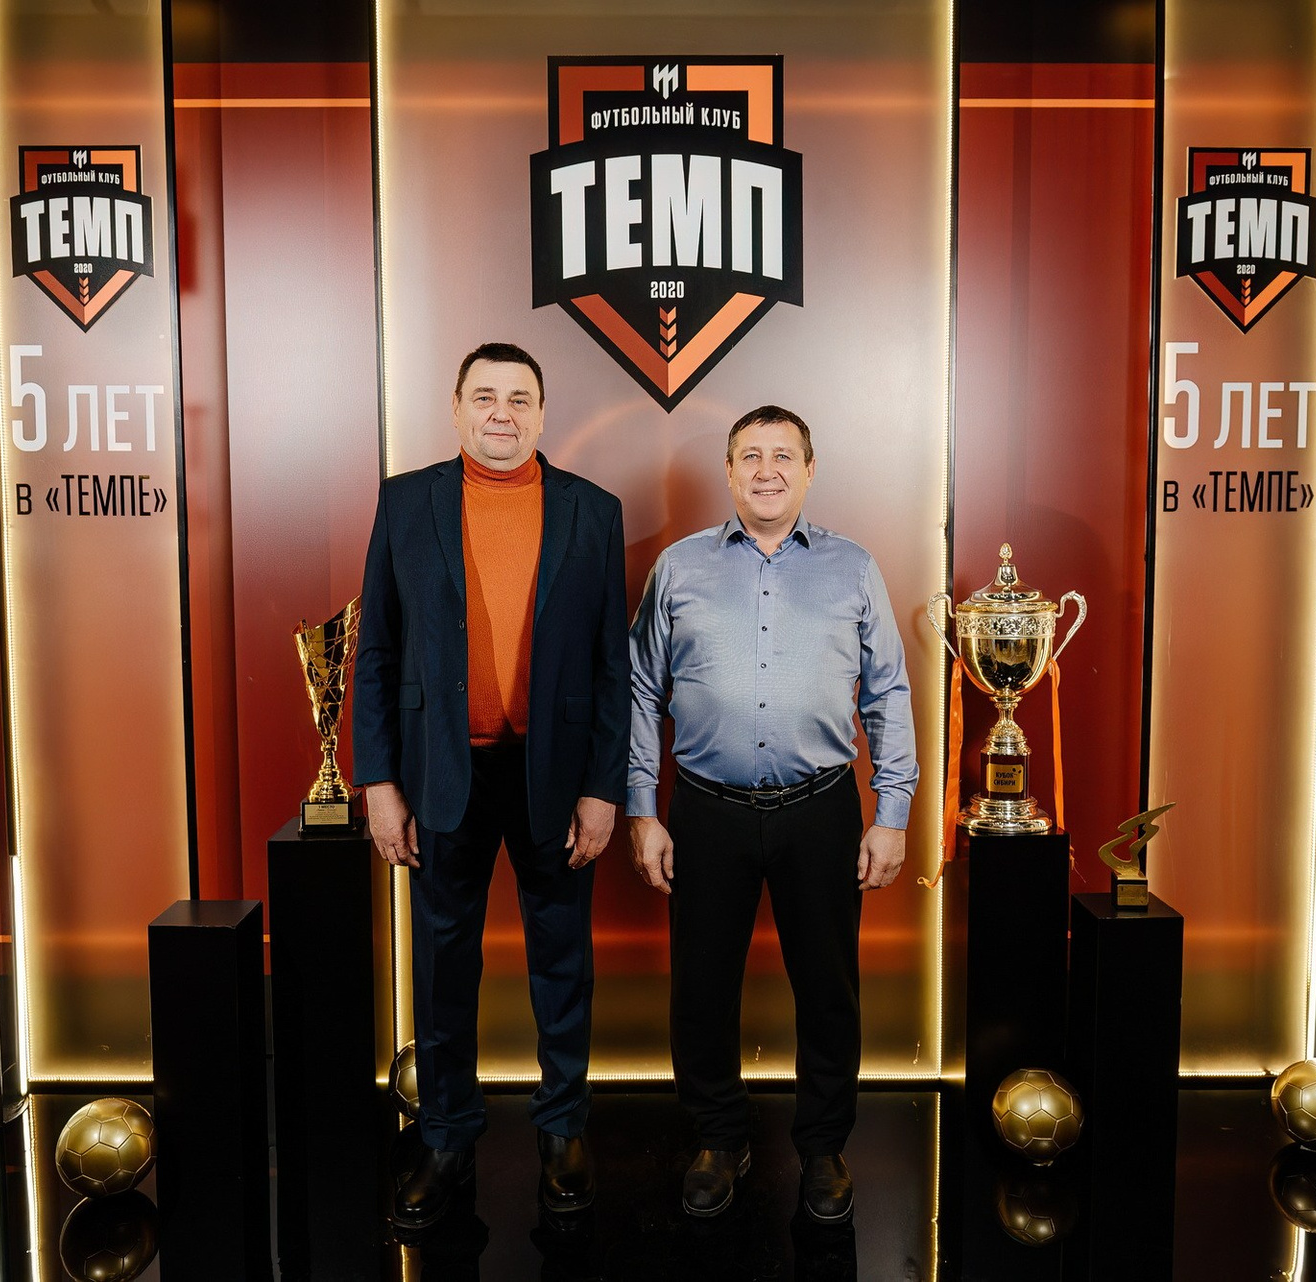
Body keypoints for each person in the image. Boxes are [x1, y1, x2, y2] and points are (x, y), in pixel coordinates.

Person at [353, 342, 629, 1229]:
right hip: (441, 773)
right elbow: (377, 651)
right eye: (484, 396)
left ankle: (563, 1132)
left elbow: (611, 667)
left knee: (562, 963)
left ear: (542, 414)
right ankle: (445, 1139)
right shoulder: (406, 502)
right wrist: (378, 782)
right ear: (457, 409)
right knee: (442, 971)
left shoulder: (594, 511)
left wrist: (603, 788)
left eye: (519, 398)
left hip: (555, 777)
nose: (501, 412)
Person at [626, 405, 917, 1222]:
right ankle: (719, 1138)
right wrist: (643, 811)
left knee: (828, 990)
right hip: (705, 811)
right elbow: (641, 689)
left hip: (820, 808)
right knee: (701, 989)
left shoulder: (853, 568)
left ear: (809, 471)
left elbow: (889, 691)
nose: (766, 471)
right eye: (750, 456)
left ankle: (823, 1148)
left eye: (783, 456)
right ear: (728, 472)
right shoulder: (678, 568)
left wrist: (892, 812)